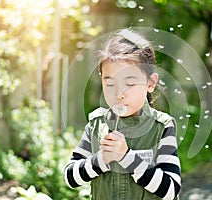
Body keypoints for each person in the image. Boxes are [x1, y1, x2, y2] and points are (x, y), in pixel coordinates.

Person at [64, 28, 181, 200]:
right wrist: (101, 159)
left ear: (150, 83)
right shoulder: (97, 125)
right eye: (110, 84)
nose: (119, 93)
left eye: (130, 83)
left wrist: (127, 158)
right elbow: (70, 178)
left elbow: (171, 189)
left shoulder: (162, 127)